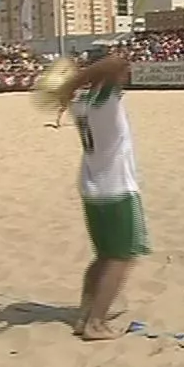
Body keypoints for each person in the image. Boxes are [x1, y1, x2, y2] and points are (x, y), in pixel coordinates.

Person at [54, 53, 150, 341]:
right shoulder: (104, 100)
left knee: (104, 257)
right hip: (116, 187)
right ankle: (96, 322)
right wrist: (80, 76)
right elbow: (118, 62)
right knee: (122, 257)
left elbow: (113, 66)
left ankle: (85, 314)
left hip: (92, 184)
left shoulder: (79, 103)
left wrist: (71, 83)